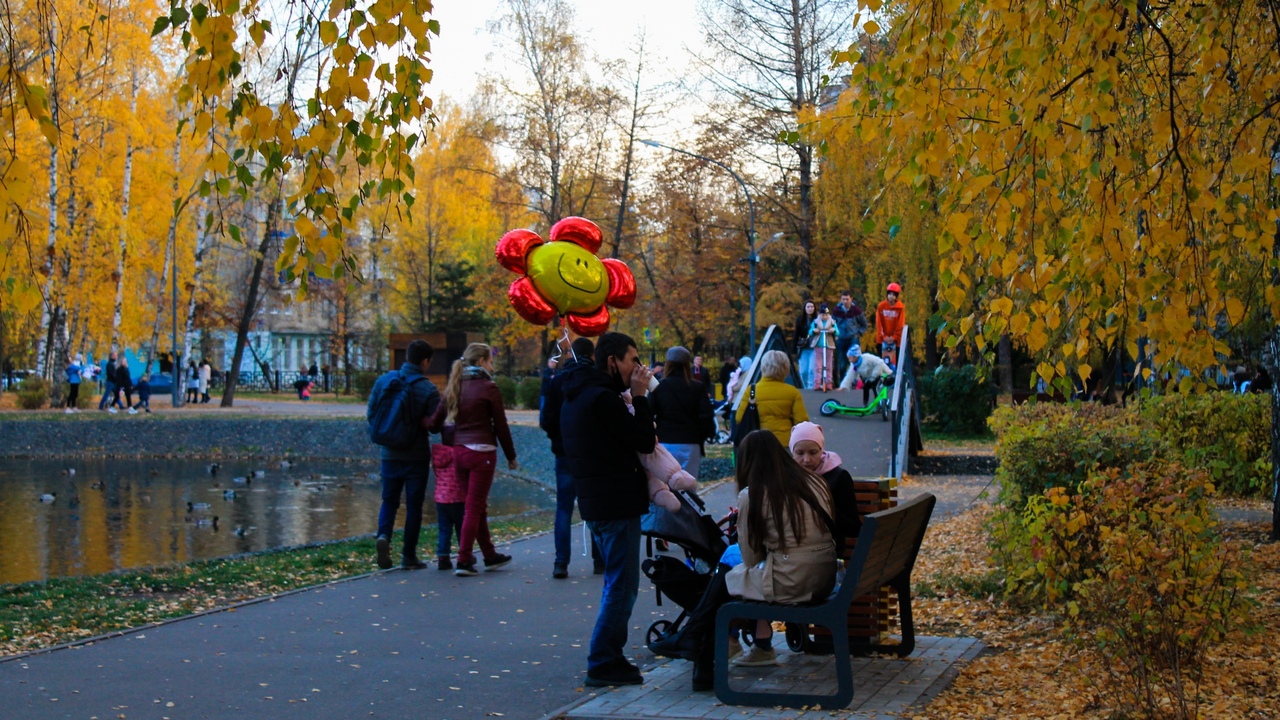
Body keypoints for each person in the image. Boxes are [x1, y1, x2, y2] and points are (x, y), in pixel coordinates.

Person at [649, 429, 837, 690]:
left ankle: (697, 645)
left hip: (794, 580)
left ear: (746, 462)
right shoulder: (813, 481)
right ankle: (697, 642)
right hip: (823, 575)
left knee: (727, 575)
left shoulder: (755, 494)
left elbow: (751, 558)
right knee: (727, 573)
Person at [560, 331, 655, 687]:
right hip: (615, 502)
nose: (638, 367)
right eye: (633, 359)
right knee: (623, 585)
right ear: (612, 361)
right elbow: (643, 440)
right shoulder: (602, 398)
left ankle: (608, 655)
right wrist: (641, 398)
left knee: (616, 582)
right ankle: (603, 660)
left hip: (596, 501)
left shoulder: (577, 393)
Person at [425, 343, 517, 577]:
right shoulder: (489, 388)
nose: (492, 365)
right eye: (490, 361)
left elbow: (434, 424)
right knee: (474, 507)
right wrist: (511, 456)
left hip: (460, 453)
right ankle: (464, 559)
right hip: (481, 453)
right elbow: (501, 426)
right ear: (481, 362)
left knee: (476, 506)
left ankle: (489, 554)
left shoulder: (454, 387)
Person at [367, 339, 442, 570]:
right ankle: (408, 555)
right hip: (415, 455)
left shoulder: (384, 381)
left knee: (389, 500)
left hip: (389, 453)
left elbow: (372, 414)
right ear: (425, 361)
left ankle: (383, 536)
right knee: (414, 506)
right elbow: (435, 425)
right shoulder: (428, 388)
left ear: (406, 357)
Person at [539, 336, 603, 579]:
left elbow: (546, 419)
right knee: (595, 506)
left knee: (564, 508)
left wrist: (558, 437)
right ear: (593, 356)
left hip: (564, 453)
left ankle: (561, 562)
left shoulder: (558, 382)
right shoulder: (597, 380)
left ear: (570, 355)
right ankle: (599, 560)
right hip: (591, 453)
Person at [789, 421, 863, 544]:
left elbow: (853, 528)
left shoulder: (838, 477)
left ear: (821, 450)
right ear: (792, 452)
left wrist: (823, 508)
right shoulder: (787, 477)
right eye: (800, 453)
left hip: (827, 548)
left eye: (813, 453)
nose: (806, 460)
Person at [736, 350, 809, 448]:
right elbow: (801, 422)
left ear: (762, 367)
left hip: (758, 443)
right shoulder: (792, 392)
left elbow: (739, 418)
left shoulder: (751, 390)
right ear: (786, 369)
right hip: (785, 443)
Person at [831, 291, 868, 381]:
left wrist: (858, 333)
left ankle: (857, 383)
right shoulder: (836, 311)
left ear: (851, 299)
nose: (845, 301)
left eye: (847, 299)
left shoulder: (856, 311)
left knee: (856, 361)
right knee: (842, 364)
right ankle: (843, 382)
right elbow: (832, 323)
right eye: (843, 299)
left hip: (853, 338)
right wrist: (835, 334)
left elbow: (864, 324)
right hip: (841, 339)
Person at [809, 305, 839, 392]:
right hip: (818, 345)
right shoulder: (815, 322)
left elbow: (837, 332)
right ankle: (817, 383)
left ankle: (829, 383)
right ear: (820, 314)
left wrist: (834, 330)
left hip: (829, 345)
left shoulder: (832, 322)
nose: (824, 316)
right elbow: (810, 331)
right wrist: (813, 331)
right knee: (818, 366)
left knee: (829, 365)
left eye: (826, 315)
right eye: (823, 315)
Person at [876, 283, 907, 366]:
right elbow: (879, 323)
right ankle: (884, 377)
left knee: (895, 362)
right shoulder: (881, 306)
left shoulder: (900, 308)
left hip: (896, 340)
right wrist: (883, 336)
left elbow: (900, 324)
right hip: (883, 339)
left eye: (893, 294)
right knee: (883, 362)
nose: (891, 296)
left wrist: (894, 337)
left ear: (896, 296)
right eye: (889, 294)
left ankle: (895, 377)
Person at [793, 300, 818, 390]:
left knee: (812, 370)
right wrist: (794, 349)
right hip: (803, 348)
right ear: (805, 308)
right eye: (808, 307)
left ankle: (811, 388)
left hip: (814, 347)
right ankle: (805, 387)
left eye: (812, 307)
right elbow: (796, 334)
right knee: (803, 371)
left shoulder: (818, 320)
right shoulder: (800, 320)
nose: (810, 309)